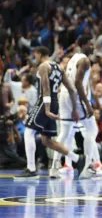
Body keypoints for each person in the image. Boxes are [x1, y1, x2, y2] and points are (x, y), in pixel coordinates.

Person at [14, 46, 86, 180]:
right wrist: (74, 109)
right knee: (46, 140)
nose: (35, 57)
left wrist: (46, 109)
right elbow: (72, 89)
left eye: (35, 55)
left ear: (39, 53)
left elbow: (46, 88)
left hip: (44, 102)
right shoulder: (59, 67)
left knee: (29, 131)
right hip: (55, 102)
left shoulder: (43, 66)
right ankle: (78, 159)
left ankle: (31, 169)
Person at [51, 35, 102, 178]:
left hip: (64, 95)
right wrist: (87, 105)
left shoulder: (74, 58)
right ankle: (88, 166)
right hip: (74, 97)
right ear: (82, 45)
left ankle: (55, 166)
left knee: (65, 132)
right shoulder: (84, 60)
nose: (92, 47)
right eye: (89, 44)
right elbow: (77, 83)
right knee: (92, 129)